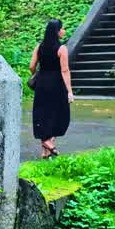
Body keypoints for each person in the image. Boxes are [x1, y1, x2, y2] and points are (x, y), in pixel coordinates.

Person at [30, 19, 73, 159]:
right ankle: (48, 143)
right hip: (57, 85)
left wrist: (37, 76)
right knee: (60, 114)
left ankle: (46, 150)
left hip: (42, 84)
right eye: (62, 28)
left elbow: (32, 66)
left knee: (43, 114)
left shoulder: (39, 47)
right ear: (57, 31)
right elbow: (65, 71)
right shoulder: (62, 49)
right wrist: (69, 91)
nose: (63, 31)